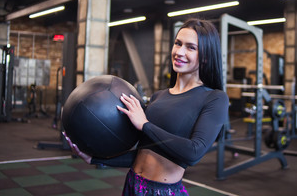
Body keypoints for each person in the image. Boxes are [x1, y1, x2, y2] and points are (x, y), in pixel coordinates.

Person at [63, 18, 229, 196]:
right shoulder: (159, 96)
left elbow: (194, 153)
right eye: (178, 43)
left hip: (163, 192)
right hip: (133, 185)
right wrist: (94, 159)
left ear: (205, 56)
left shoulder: (214, 98)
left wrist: (144, 124)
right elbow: (142, 155)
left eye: (191, 47)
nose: (180, 52)